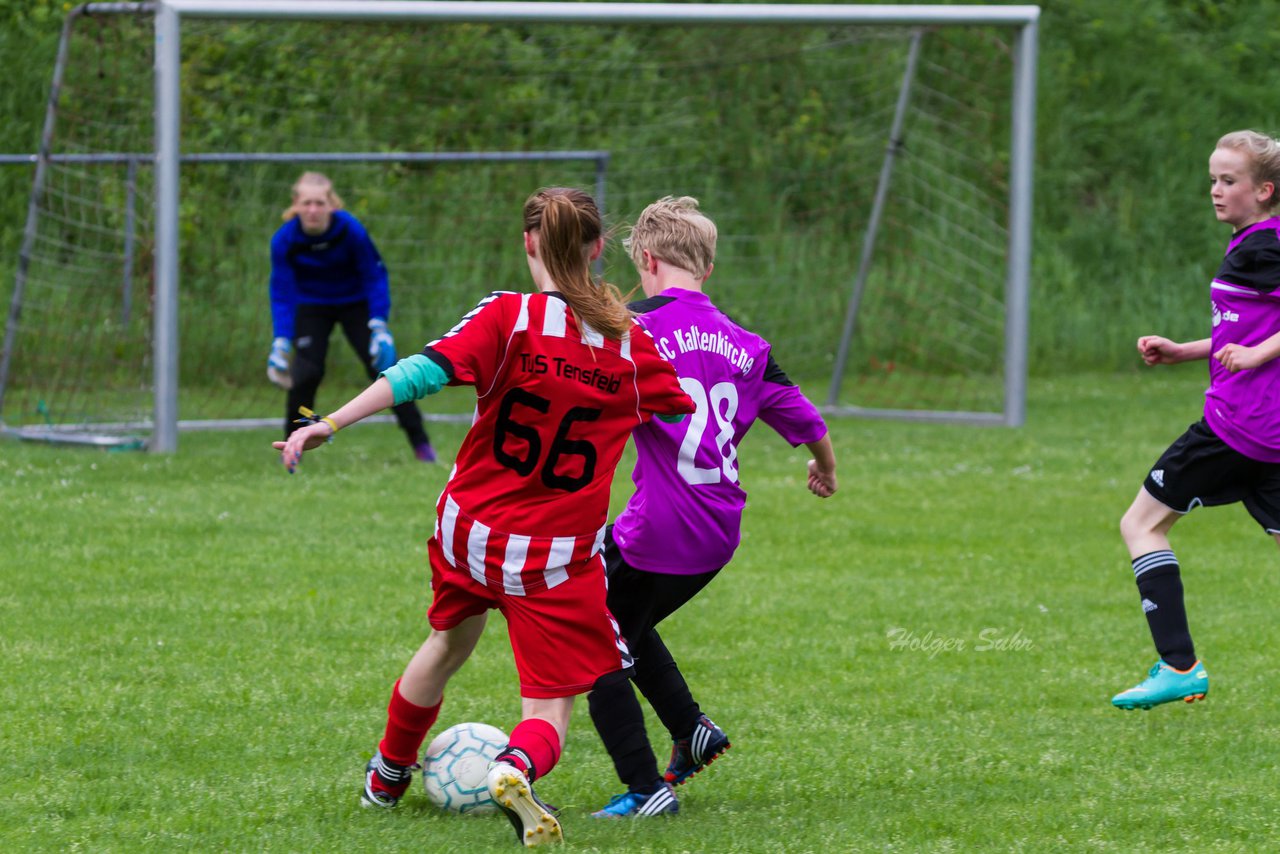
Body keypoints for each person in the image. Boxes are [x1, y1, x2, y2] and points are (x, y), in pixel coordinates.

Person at [276, 187, 695, 846]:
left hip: (468, 531)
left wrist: (329, 421)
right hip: (553, 556)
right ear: (598, 248)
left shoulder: (510, 317)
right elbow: (679, 403)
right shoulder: (630, 347)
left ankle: (386, 777)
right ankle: (515, 765)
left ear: (529, 244)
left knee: (446, 644)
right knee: (549, 703)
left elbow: (420, 371)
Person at [585, 196, 838, 818]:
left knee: (588, 635)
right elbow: (809, 423)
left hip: (660, 526)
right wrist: (824, 470)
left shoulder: (631, 324)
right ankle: (693, 732)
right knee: (625, 622)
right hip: (718, 531)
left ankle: (646, 790)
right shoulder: (749, 345)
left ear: (646, 258)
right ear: (707, 269)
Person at [1111, 130, 1280, 711]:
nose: (1215, 190)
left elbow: (1257, 344)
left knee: (1142, 524)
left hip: (1236, 428)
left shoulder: (1263, 246)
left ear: (1264, 189)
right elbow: (1246, 327)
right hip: (1271, 436)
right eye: (1212, 179)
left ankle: (1178, 665)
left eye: (1228, 181)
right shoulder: (1260, 243)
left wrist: (1258, 356)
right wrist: (1188, 349)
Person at [267, 171, 436, 462]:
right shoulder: (284, 240)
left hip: (354, 303)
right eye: (306, 203)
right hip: (312, 306)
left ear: (331, 204)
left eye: (319, 203)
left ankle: (422, 446)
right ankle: (291, 449)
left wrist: (379, 325)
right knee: (306, 374)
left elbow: (374, 275)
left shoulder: (350, 230)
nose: (312, 210)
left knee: (384, 369)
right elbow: (282, 292)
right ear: (296, 204)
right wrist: (281, 340)